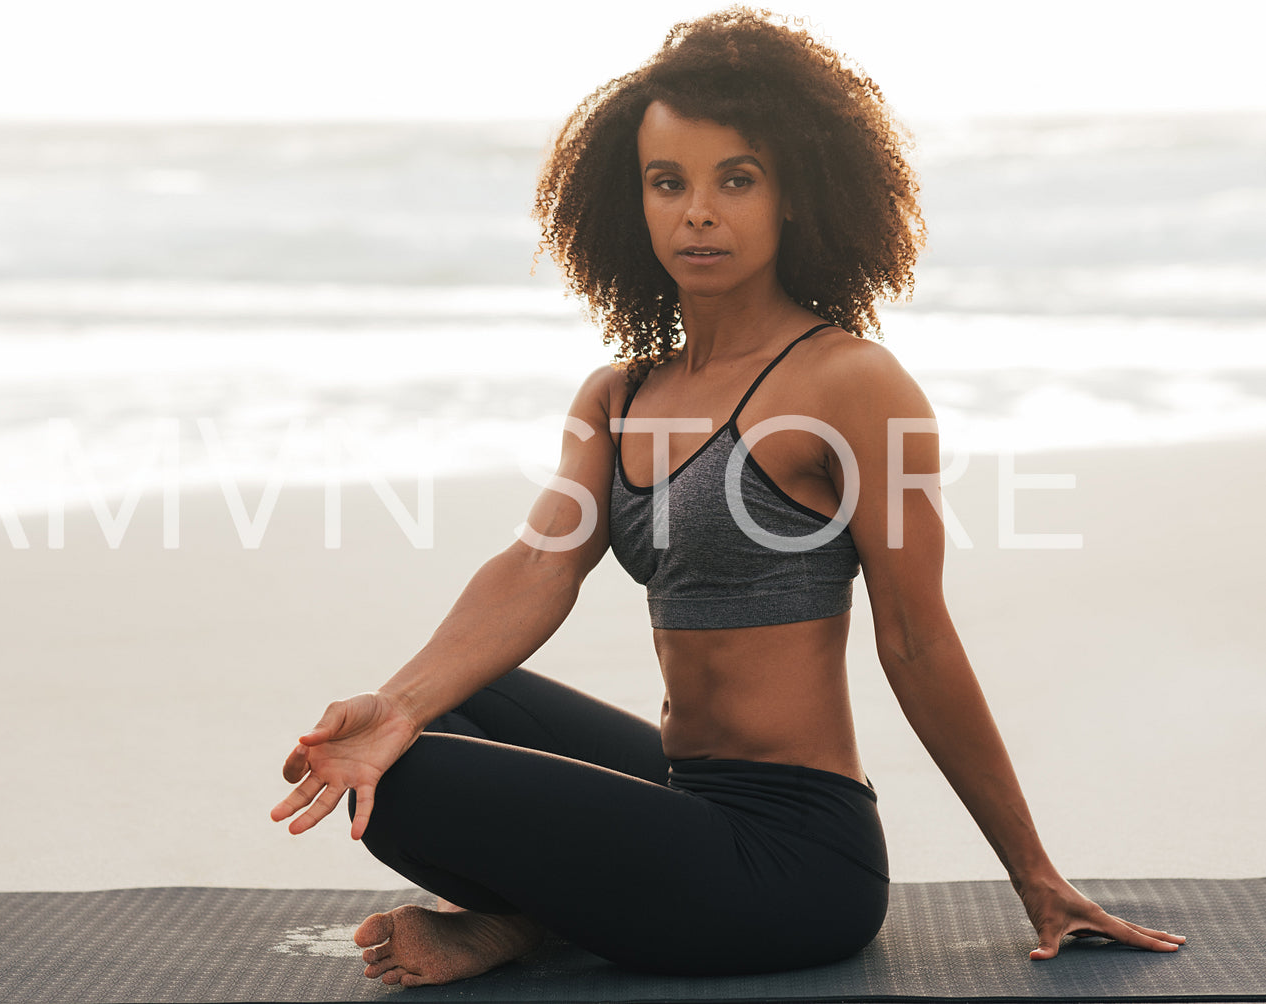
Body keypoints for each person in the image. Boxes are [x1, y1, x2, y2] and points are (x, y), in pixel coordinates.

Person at [269, 8, 1186, 988]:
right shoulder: (618, 394)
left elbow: (916, 640)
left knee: (409, 785)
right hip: (682, 796)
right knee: (433, 712)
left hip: (794, 858)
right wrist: (400, 701)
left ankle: (526, 916)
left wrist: (1033, 873)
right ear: (633, 203)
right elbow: (536, 563)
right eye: (667, 182)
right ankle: (529, 920)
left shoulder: (848, 383)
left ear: (796, 195)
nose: (695, 212)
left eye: (733, 180)